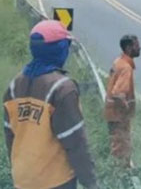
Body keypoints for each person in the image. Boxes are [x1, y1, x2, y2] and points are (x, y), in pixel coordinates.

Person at [3, 20, 98, 189]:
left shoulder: (13, 87)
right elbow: (75, 142)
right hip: (55, 181)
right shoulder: (62, 89)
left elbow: (10, 137)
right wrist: (90, 182)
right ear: (60, 49)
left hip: (23, 179)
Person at [104, 34, 141, 168]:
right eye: (136, 46)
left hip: (112, 114)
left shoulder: (118, 61)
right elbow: (118, 94)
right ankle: (120, 176)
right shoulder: (126, 68)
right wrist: (125, 109)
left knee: (118, 145)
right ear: (129, 48)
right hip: (119, 116)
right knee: (121, 149)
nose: (139, 48)